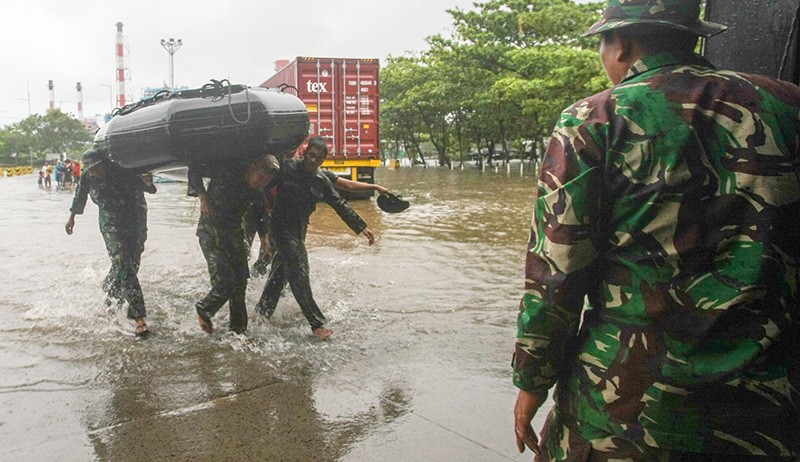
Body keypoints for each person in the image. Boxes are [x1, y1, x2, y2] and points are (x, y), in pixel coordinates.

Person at [512, 1, 800, 461]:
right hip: (768, 408)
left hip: (628, 409)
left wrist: (531, 381)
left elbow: (556, 275)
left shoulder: (594, 120)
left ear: (620, 43)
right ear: (693, 36)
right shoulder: (787, 106)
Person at [255, 136, 380, 340]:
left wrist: (362, 227)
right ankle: (316, 324)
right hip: (279, 228)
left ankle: (261, 312)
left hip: (298, 230)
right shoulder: (286, 169)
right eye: (311, 155)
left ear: (323, 160)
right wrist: (262, 230)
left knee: (281, 272)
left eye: (318, 158)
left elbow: (340, 204)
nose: (313, 160)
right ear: (305, 153)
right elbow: (261, 186)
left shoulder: (321, 180)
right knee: (299, 270)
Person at [65, 150, 157, 337]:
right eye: (90, 169)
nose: (94, 171)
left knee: (131, 264)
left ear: (104, 164)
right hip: (111, 224)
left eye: (97, 167)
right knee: (124, 264)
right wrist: (72, 218)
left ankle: (109, 294)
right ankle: (139, 317)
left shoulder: (122, 170)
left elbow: (149, 189)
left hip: (135, 220)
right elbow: (80, 196)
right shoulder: (88, 176)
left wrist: (148, 181)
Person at [190, 154, 280, 335]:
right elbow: (194, 169)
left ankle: (238, 332)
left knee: (240, 283)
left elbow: (260, 212)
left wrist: (264, 238)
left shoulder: (256, 190)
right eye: (261, 176)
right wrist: (202, 196)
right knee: (225, 283)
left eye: (267, 180)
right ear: (252, 167)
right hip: (211, 234)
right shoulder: (227, 172)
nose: (262, 182)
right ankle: (204, 309)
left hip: (233, 234)